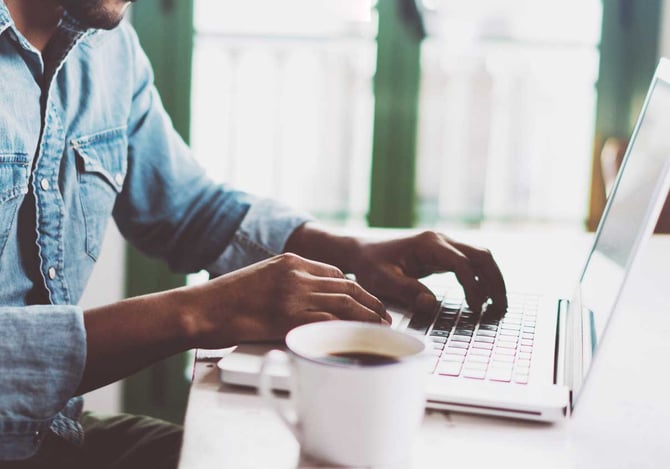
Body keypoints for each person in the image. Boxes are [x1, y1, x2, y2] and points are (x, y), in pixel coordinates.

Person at [0, 0, 507, 467]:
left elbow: (190, 210)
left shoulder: (109, 48)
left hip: (53, 434)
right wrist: (203, 311)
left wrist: (353, 252)